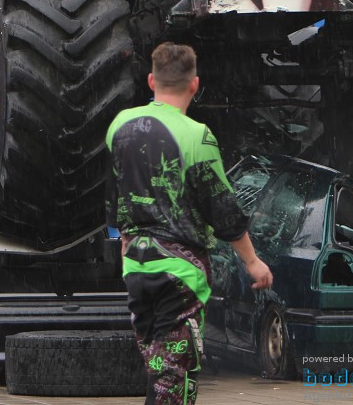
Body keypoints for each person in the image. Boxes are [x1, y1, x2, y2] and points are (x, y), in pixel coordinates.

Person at [106, 42, 273, 405]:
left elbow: (116, 191)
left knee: (159, 368)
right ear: (194, 84)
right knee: (176, 376)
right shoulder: (198, 137)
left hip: (136, 266)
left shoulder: (120, 126)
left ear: (151, 80)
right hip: (181, 274)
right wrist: (251, 261)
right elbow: (222, 209)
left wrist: (122, 241)